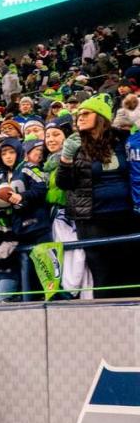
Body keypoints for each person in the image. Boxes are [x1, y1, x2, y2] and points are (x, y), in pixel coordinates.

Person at [56, 94, 140, 297]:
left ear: (101, 116)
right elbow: (64, 183)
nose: (79, 118)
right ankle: (108, 321)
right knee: (103, 276)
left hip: (127, 216)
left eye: (85, 113)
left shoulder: (122, 140)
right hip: (93, 220)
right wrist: (66, 159)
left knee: (132, 273)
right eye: (78, 115)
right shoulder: (76, 144)